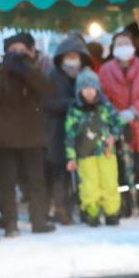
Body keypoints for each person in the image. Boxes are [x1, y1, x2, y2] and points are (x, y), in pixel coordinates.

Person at [0, 32, 55, 235]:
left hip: (33, 136)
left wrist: (26, 70)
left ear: (30, 51)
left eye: (21, 49)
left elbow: (46, 90)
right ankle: (11, 224)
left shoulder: (35, 70)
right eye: (12, 50)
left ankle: (39, 221)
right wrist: (4, 69)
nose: (16, 54)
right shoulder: (0, 73)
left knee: (36, 181)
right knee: (7, 184)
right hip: (6, 139)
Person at [98, 29, 139, 215]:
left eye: (126, 43)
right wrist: (115, 114)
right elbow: (102, 96)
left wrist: (135, 111)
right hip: (118, 123)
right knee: (121, 165)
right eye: (119, 44)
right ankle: (125, 201)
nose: (123, 47)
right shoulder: (105, 69)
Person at [64, 70, 123, 225]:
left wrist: (113, 136)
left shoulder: (105, 107)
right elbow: (69, 135)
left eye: (92, 88)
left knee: (109, 182)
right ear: (79, 91)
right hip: (85, 155)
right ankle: (92, 213)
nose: (89, 92)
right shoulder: (75, 111)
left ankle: (112, 213)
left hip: (106, 153)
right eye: (85, 89)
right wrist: (71, 157)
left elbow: (118, 122)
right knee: (89, 186)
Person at [46, 35, 91, 224]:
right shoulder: (53, 76)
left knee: (86, 171)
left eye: (76, 55)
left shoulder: (85, 75)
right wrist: (72, 104)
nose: (72, 60)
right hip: (58, 130)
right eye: (68, 56)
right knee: (60, 173)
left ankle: (86, 206)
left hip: (83, 131)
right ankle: (61, 208)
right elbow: (48, 102)